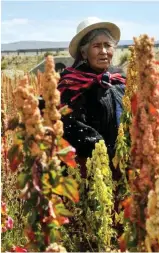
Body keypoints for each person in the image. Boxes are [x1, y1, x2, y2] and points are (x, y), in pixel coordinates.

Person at [57, 17, 126, 178]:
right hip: (88, 171)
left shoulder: (119, 81)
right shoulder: (72, 84)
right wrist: (102, 151)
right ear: (83, 52)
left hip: (122, 167)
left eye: (107, 45)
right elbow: (71, 126)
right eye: (96, 46)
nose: (103, 51)